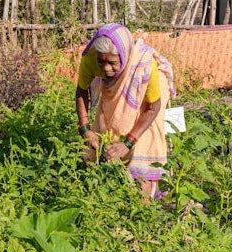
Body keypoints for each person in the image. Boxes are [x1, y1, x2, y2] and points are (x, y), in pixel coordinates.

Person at [74, 23, 176, 199]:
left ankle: (146, 186)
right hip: (114, 89)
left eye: (112, 62)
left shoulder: (144, 65)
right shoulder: (90, 59)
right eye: (102, 62)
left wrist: (127, 143)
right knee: (109, 125)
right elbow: (81, 91)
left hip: (150, 97)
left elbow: (153, 108)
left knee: (146, 137)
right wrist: (85, 129)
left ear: (125, 55)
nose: (106, 68)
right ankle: (115, 164)